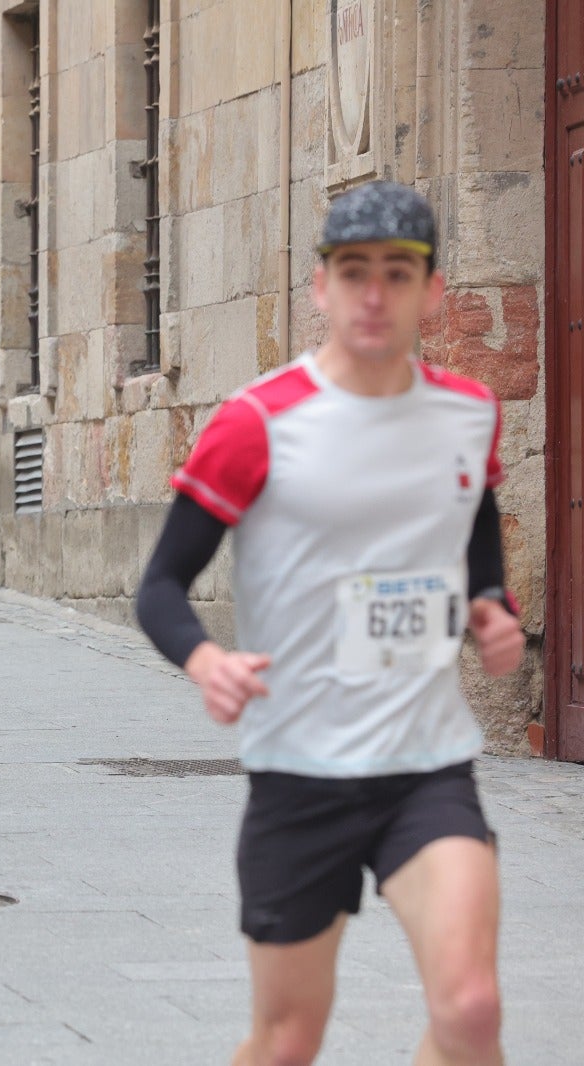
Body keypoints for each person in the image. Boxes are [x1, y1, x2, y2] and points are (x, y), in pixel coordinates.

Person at [133, 181, 521, 1066]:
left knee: (471, 1009)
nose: (375, 295)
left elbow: (476, 541)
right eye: (354, 273)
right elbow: (159, 586)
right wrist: (205, 663)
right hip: (300, 775)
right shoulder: (256, 422)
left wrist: (492, 611)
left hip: (427, 768)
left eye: (397, 272)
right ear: (322, 287)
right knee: (286, 1041)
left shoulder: (467, 413)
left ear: (432, 289)